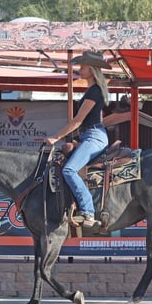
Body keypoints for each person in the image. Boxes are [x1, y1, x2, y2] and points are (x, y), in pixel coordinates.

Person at [45, 51, 111, 230]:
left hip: (94, 137)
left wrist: (55, 137)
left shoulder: (94, 91)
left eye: (83, 66)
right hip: (91, 136)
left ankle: (88, 211)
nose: (80, 69)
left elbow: (78, 120)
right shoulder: (94, 90)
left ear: (92, 69)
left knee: (69, 170)